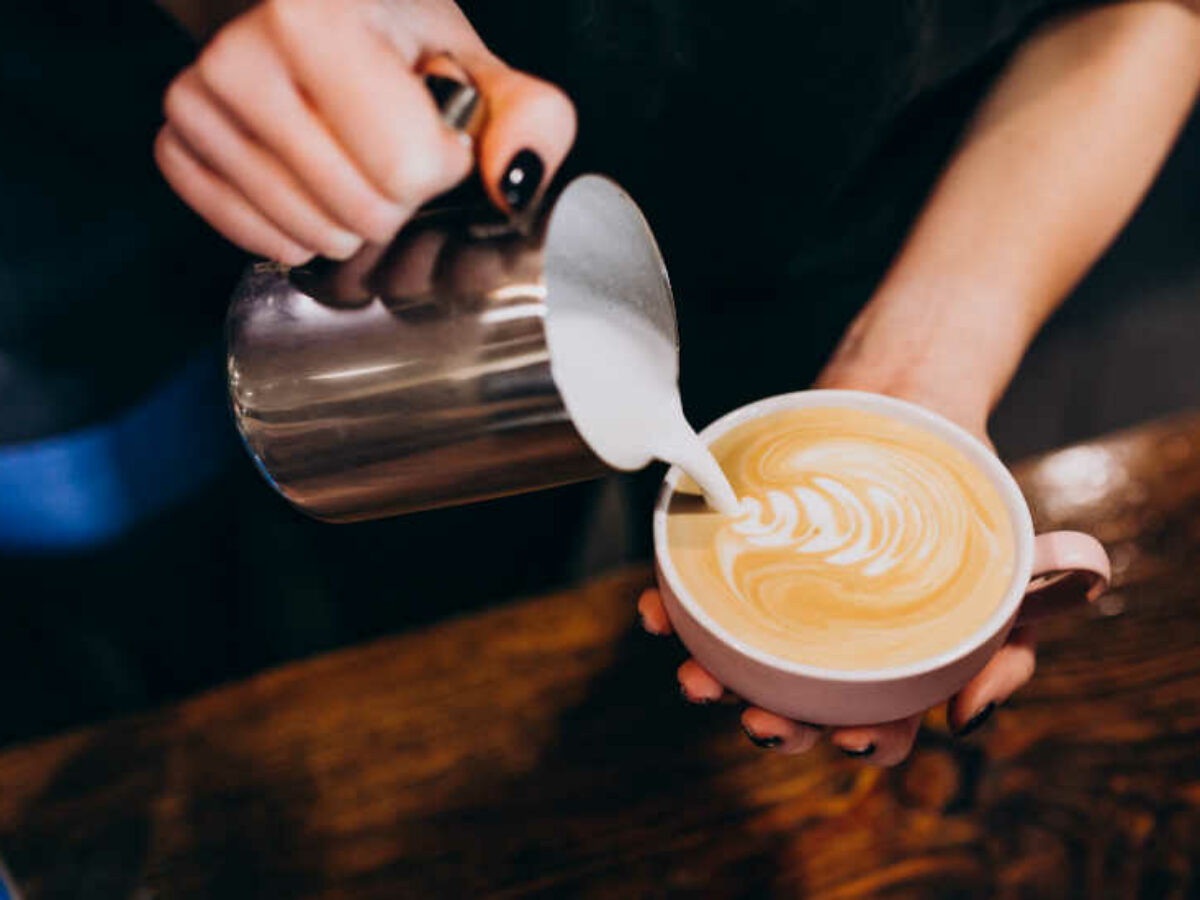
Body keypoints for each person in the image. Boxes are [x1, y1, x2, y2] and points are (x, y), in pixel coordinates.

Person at [152, 0, 1200, 764]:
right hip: (453, 237)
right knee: (416, 606)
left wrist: (925, 359)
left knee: (660, 699)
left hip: (882, 226)